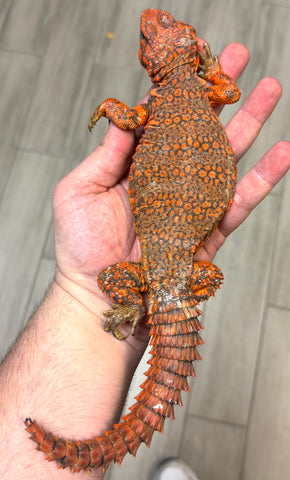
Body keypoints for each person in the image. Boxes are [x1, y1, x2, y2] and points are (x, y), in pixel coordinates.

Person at [0, 42, 289, 480]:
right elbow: (229, 94)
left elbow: (128, 117)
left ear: (155, 63)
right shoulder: (205, 89)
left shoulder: (154, 103)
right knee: (141, 281)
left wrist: (111, 107)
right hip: (181, 263)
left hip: (169, 264)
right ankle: (138, 305)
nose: (151, 29)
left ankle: (134, 305)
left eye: (152, 40)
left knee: (119, 284)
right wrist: (212, 69)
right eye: (150, 40)